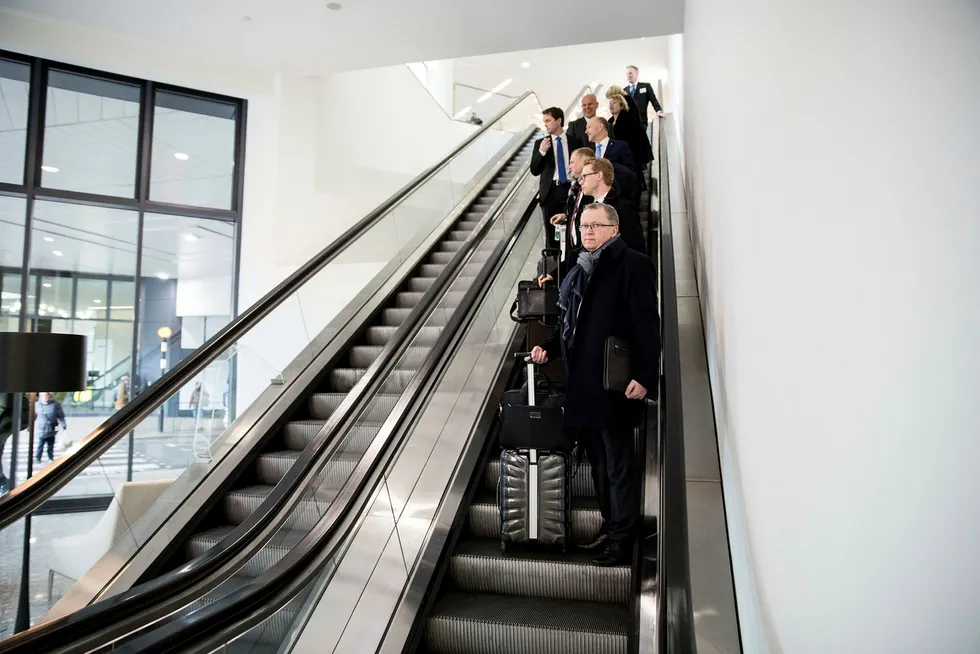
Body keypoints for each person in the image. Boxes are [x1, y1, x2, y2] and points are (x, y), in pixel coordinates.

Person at [528, 203, 661, 566]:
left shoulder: (632, 264)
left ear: (614, 229)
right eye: (584, 226)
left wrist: (644, 377)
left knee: (619, 464)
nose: (587, 232)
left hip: (612, 383)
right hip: (581, 384)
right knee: (599, 463)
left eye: (596, 226)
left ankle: (623, 538)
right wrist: (548, 347)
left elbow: (647, 325)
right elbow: (571, 323)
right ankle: (609, 526)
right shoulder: (579, 267)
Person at [530, 107, 582, 246]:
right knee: (552, 236)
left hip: (571, 189)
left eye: (548, 120)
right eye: (544, 121)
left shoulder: (574, 142)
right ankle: (553, 266)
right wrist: (541, 152)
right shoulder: (540, 143)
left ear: (558, 120)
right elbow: (534, 170)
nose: (545, 124)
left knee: (573, 229)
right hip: (550, 193)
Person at [608, 93, 653, 173]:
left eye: (614, 103)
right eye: (610, 103)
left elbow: (634, 141)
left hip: (631, 159)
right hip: (618, 159)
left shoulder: (628, 119)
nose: (611, 105)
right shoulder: (609, 122)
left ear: (621, 105)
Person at [34, 392, 67, 463]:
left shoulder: (55, 405)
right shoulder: (37, 405)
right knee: (40, 443)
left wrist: (63, 424)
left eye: (46, 395)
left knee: (50, 444)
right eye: (43, 396)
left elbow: (61, 415)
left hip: (51, 428)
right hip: (41, 428)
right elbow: (33, 416)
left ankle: (50, 457)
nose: (45, 397)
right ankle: (38, 457)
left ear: (49, 396)